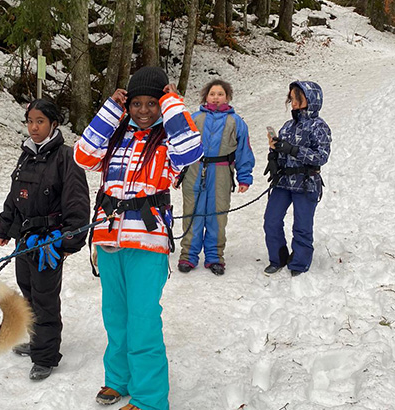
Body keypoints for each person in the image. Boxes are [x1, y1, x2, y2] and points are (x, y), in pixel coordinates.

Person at [74, 66, 204, 410]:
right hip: (109, 238)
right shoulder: (116, 137)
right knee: (115, 316)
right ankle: (118, 379)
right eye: (136, 104)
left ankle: (149, 398)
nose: (143, 110)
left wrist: (172, 100)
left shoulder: (169, 143)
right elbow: (82, 155)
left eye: (152, 103)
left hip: (147, 242)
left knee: (143, 320)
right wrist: (110, 110)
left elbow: (193, 149)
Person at [0, 99, 90, 380]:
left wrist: (67, 241)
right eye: (30, 121)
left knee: (45, 298)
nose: (34, 127)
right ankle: (37, 340)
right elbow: (15, 195)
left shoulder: (66, 157)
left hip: (50, 242)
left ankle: (46, 356)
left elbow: (78, 204)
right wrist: (5, 228)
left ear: (53, 124)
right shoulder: (26, 155)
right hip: (24, 240)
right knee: (28, 293)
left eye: (40, 121)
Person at [177, 80, 255, 276]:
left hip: (221, 173)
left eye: (220, 94)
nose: (216, 97)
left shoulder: (236, 122)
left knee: (217, 215)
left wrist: (244, 177)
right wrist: (177, 173)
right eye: (212, 94)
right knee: (192, 213)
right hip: (195, 170)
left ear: (227, 97)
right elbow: (181, 147)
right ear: (206, 96)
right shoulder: (194, 118)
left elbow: (244, 151)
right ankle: (188, 255)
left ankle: (214, 256)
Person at [263, 81, 331, 276]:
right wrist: (274, 156)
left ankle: (299, 262)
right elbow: (279, 148)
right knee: (271, 220)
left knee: (302, 225)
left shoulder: (320, 127)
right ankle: (278, 257)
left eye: (296, 98)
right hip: (283, 182)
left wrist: (293, 150)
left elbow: (321, 156)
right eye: (291, 98)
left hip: (306, 183)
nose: (292, 102)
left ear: (309, 99)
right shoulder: (288, 125)